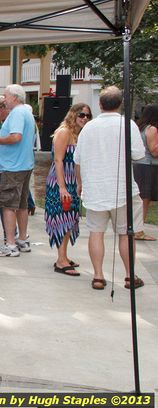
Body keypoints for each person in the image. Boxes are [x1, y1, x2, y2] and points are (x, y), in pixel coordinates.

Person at [75, 86, 146, 290]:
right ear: (120, 103)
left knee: (96, 233)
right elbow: (139, 154)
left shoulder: (88, 127)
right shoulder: (128, 124)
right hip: (122, 189)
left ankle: (98, 276)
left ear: (100, 104)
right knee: (125, 233)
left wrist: (80, 183)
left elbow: (77, 159)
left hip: (95, 188)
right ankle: (129, 275)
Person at [44, 103, 92, 276]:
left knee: (71, 219)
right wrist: (62, 187)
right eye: (81, 115)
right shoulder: (64, 132)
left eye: (88, 116)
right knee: (62, 219)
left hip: (72, 182)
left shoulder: (79, 134)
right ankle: (61, 260)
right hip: (60, 181)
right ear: (73, 114)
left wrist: (79, 183)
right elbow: (58, 161)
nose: (85, 118)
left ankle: (64, 255)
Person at [0, 84, 36, 257]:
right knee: (22, 205)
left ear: (15, 97)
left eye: (6, 96)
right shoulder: (26, 112)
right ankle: (22, 239)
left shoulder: (16, 113)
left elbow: (16, 137)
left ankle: (10, 244)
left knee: (8, 205)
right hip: (24, 164)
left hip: (13, 166)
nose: (4, 99)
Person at [132, 104, 158, 241]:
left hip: (138, 165)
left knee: (140, 199)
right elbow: (154, 151)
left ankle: (137, 228)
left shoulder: (139, 127)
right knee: (144, 199)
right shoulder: (152, 129)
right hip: (147, 166)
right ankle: (139, 230)